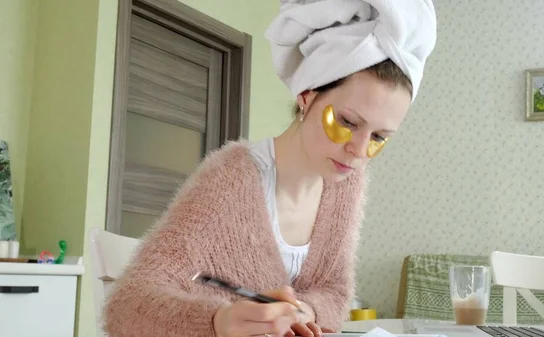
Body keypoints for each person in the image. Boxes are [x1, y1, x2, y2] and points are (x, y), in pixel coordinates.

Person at [102, 0, 437, 336]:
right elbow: (127, 306)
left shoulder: (347, 183)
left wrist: (305, 310)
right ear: (306, 95)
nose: (359, 151)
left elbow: (336, 293)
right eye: (347, 122)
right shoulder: (231, 179)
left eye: (379, 137)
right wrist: (216, 322)